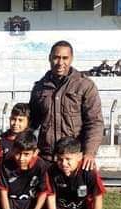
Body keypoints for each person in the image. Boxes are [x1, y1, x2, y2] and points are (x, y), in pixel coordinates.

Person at [29, 40, 104, 170]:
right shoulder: (39, 88)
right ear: (49, 58)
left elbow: (94, 122)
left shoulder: (85, 85)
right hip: (46, 160)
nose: (60, 62)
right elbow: (31, 123)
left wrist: (89, 153)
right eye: (56, 57)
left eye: (65, 58)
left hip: (73, 160)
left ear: (71, 59)